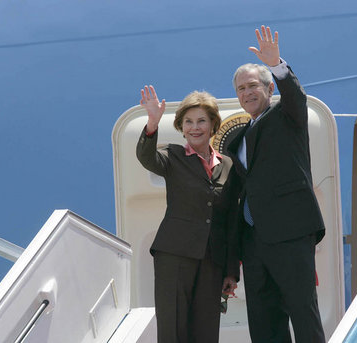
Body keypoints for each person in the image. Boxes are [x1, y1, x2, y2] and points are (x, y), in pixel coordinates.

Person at [226, 26, 326, 342]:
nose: (247, 93)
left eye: (253, 85)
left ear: (270, 88)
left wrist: (277, 65)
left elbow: (296, 97)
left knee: (303, 314)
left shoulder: (287, 116)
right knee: (264, 323)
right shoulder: (238, 139)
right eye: (241, 89)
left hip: (290, 235)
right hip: (254, 245)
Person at [136, 85, 239, 343]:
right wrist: (152, 123)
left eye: (201, 121)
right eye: (189, 122)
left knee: (205, 332)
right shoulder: (173, 155)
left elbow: (230, 221)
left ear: (213, 124)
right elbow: (146, 157)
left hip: (211, 261)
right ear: (181, 126)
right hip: (175, 255)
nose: (195, 127)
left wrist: (230, 270)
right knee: (173, 330)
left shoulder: (227, 164)